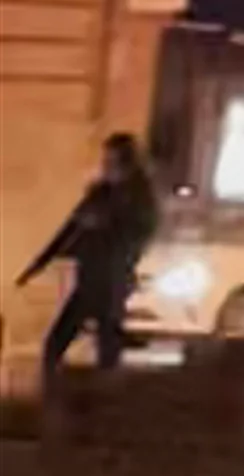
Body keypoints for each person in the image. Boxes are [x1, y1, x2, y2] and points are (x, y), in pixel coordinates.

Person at [22, 135, 157, 385]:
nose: (105, 166)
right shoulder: (100, 193)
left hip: (112, 283)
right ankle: (54, 394)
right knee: (55, 345)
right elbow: (69, 229)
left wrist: (104, 226)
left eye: (112, 161)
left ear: (127, 164)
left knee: (107, 351)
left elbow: (138, 237)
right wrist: (38, 264)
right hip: (88, 281)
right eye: (106, 161)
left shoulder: (140, 199)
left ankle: (105, 399)